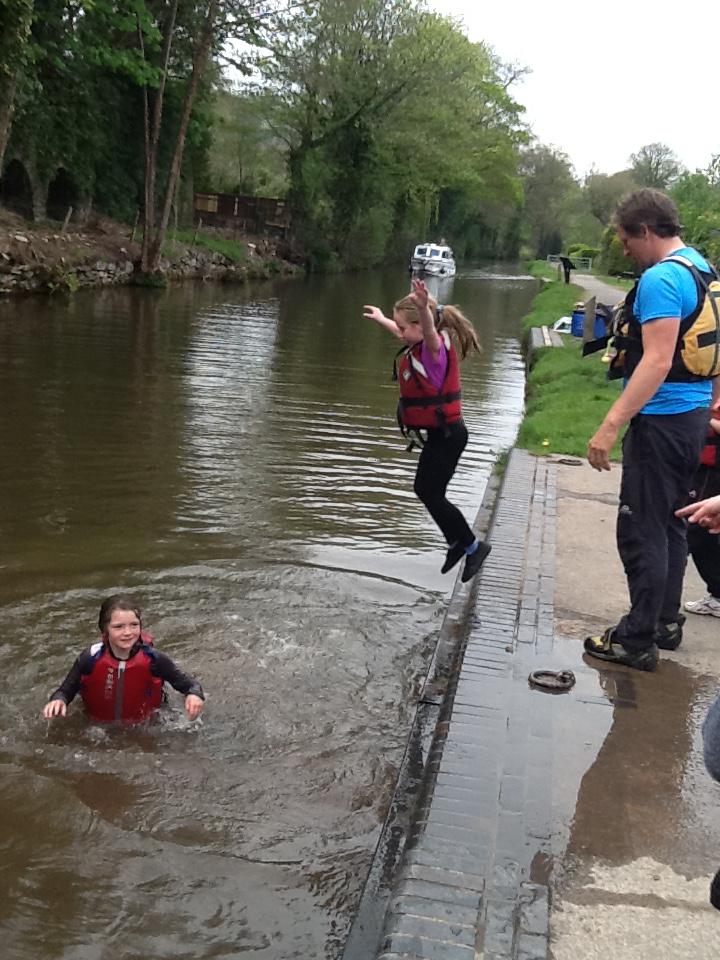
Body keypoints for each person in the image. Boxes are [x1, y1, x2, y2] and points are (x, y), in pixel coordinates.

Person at [584, 188, 718, 671]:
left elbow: (658, 360)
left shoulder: (662, 277)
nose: (624, 251)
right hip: (691, 419)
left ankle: (636, 639)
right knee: (671, 520)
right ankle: (664, 623)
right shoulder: (702, 269)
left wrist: (610, 424)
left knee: (641, 527)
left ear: (645, 230)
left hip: (661, 421)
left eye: (626, 240)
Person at [363, 279, 491, 583]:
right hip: (442, 435)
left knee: (429, 492)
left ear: (422, 325)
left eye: (403, 326)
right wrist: (382, 319)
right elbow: (409, 333)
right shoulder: (419, 342)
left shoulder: (434, 350)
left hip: (449, 436)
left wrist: (422, 309)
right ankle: (458, 543)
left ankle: (472, 547)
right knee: (427, 491)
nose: (400, 333)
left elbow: (429, 334)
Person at [42, 594, 205, 724]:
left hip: (145, 725)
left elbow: (191, 685)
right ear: (105, 629)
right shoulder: (90, 658)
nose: (127, 632)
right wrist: (58, 701)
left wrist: (194, 695)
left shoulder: (154, 659)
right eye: (118, 627)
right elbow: (65, 691)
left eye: (134, 625)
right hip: (98, 725)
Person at [682, 404, 720, 617]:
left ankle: (660, 599)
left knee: (690, 529)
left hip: (713, 470)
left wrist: (705, 419)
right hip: (702, 463)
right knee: (706, 538)